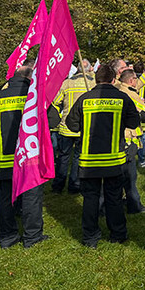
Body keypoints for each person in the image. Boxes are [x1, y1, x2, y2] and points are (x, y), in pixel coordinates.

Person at [65, 64, 140, 248]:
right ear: (114, 80)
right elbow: (134, 121)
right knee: (113, 198)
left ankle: (90, 237)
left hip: (89, 161)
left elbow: (71, 124)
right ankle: (118, 234)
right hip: (114, 159)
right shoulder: (121, 98)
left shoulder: (85, 99)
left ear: (96, 79)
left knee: (90, 199)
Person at [0, 60, 50, 248]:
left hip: (6, 157)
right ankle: (32, 236)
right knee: (31, 198)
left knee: (6, 198)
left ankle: (7, 236)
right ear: (31, 77)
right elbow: (51, 121)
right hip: (30, 156)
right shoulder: (36, 97)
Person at [50, 60, 95, 194]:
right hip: (84, 127)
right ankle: (74, 185)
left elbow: (55, 101)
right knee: (78, 157)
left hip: (66, 127)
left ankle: (58, 186)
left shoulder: (67, 83)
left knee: (63, 158)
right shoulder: (92, 83)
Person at [117, 69, 145, 214]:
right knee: (130, 176)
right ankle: (134, 205)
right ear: (131, 81)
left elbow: (137, 85)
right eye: (135, 79)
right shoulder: (131, 95)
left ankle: (113, 202)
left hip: (119, 139)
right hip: (129, 140)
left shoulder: (120, 89)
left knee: (118, 175)